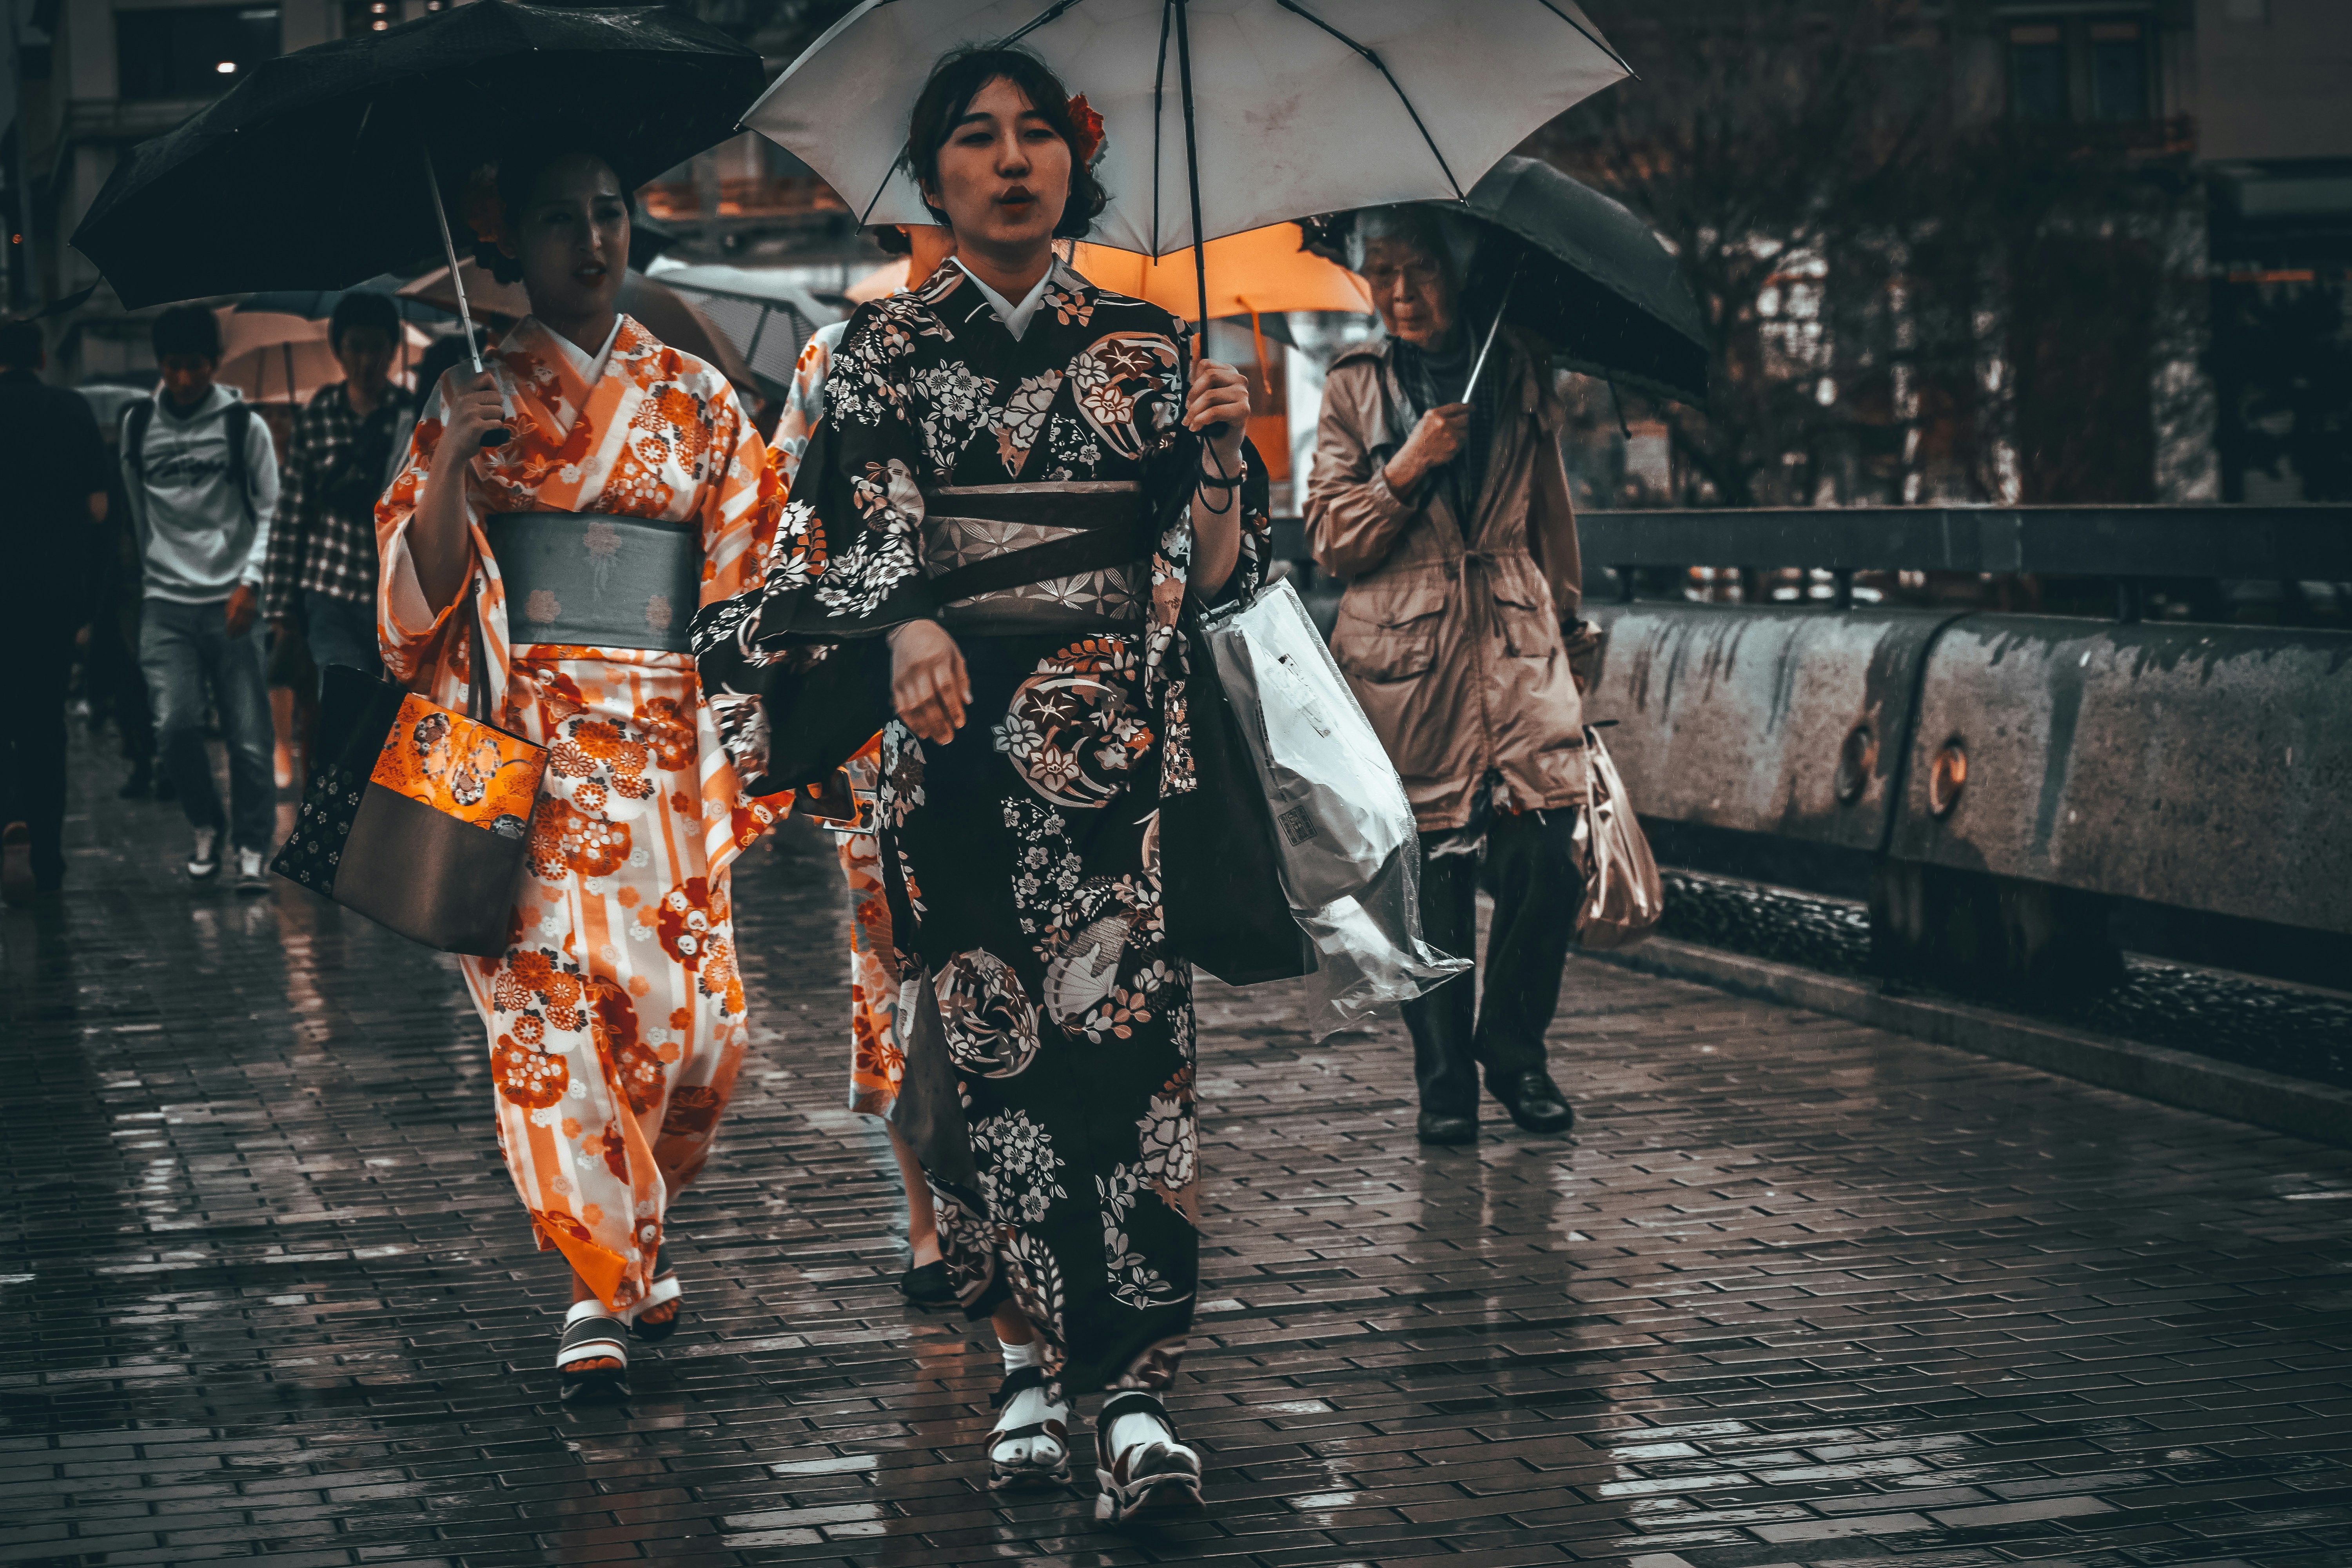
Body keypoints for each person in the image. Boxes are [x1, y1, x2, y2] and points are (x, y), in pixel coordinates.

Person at [695, 48, 1263, 1522]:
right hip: (945, 747)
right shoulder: (880, 354)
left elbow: (1211, 578)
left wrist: (1217, 453)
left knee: (1133, 1063)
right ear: (930, 175)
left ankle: (1133, 1387)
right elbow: (860, 529)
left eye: (1037, 136)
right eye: (973, 138)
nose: (1011, 161)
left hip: (1114, 758)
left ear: (1079, 162)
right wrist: (912, 619)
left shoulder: (1150, 341)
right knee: (983, 1049)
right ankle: (1019, 1351)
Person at [377, 144, 791, 1401]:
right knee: (557, 1032)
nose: (591, 240)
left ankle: (631, 1227)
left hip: (668, 745)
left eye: (609, 215)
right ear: (511, 244)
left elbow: (749, 570)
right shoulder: (470, 391)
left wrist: (756, 718)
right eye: (561, 219)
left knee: (698, 1033)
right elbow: (412, 613)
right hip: (529, 758)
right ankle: (594, 1286)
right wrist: (452, 460)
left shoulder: (696, 399)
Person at [1305, 206, 1599, 1148]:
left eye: (1418, 271)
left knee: (1548, 857)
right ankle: (1444, 1084)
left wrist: (1569, 623)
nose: (1399, 294)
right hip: (1404, 658)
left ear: (1459, 269)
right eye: (1381, 275)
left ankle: (1512, 1047)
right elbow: (1331, 541)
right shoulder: (1354, 387)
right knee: (1428, 883)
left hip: (1516, 643)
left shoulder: (1517, 367)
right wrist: (1407, 466)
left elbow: (1549, 508)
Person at [773, 220, 963, 1310]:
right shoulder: (836, 359)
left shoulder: (1078, 359)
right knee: (896, 978)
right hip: (881, 721)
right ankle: (928, 1217)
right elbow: (784, 534)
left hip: (1028, 707)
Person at [123, 304, 282, 892]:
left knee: (248, 736)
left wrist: (253, 580)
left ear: (214, 364)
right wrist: (146, 580)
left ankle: (250, 846)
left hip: (234, 600)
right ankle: (206, 824)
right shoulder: (138, 425)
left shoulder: (246, 427)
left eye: (195, 367)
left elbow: (272, 509)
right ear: (160, 365)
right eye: (173, 367)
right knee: (174, 727)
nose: (184, 379)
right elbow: (135, 512)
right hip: (164, 601)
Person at [0, 318, 112, 905]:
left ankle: (9, 807)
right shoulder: (71, 411)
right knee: (46, 724)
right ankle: (48, 857)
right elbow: (98, 507)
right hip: (54, 594)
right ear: (41, 355)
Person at [264, 290, 413, 695]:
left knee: (386, 710)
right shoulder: (317, 418)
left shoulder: (411, 417)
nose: (367, 362)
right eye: (356, 348)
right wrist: (279, 605)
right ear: (339, 350)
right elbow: (291, 512)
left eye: (377, 349)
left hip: (392, 595)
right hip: (328, 586)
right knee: (343, 700)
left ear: (393, 351)